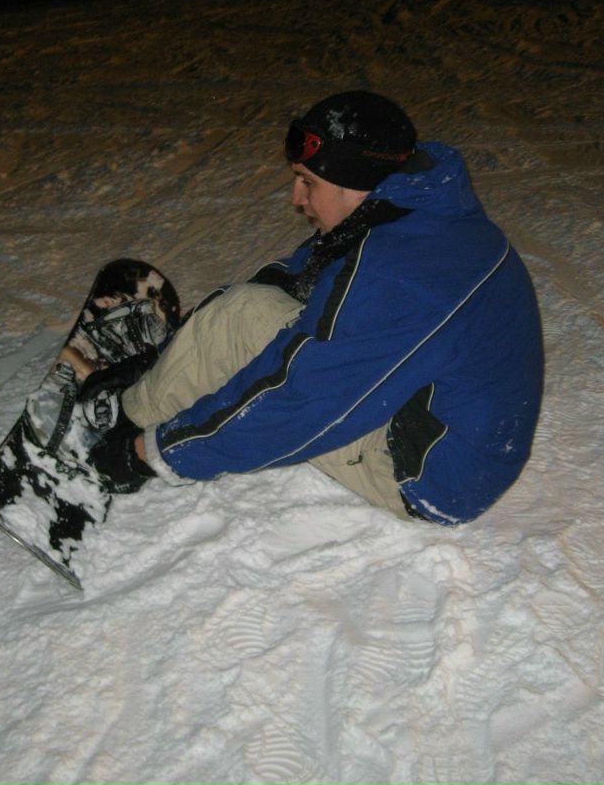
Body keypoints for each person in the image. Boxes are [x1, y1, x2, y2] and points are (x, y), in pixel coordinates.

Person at [85, 90, 544, 525]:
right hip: (454, 430)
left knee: (241, 322)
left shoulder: (395, 276)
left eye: (308, 182)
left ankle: (119, 425)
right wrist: (184, 346)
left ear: (355, 184)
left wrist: (150, 454)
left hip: (431, 475)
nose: (297, 200)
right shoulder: (419, 212)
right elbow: (305, 278)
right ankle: (161, 381)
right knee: (243, 314)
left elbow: (301, 404)